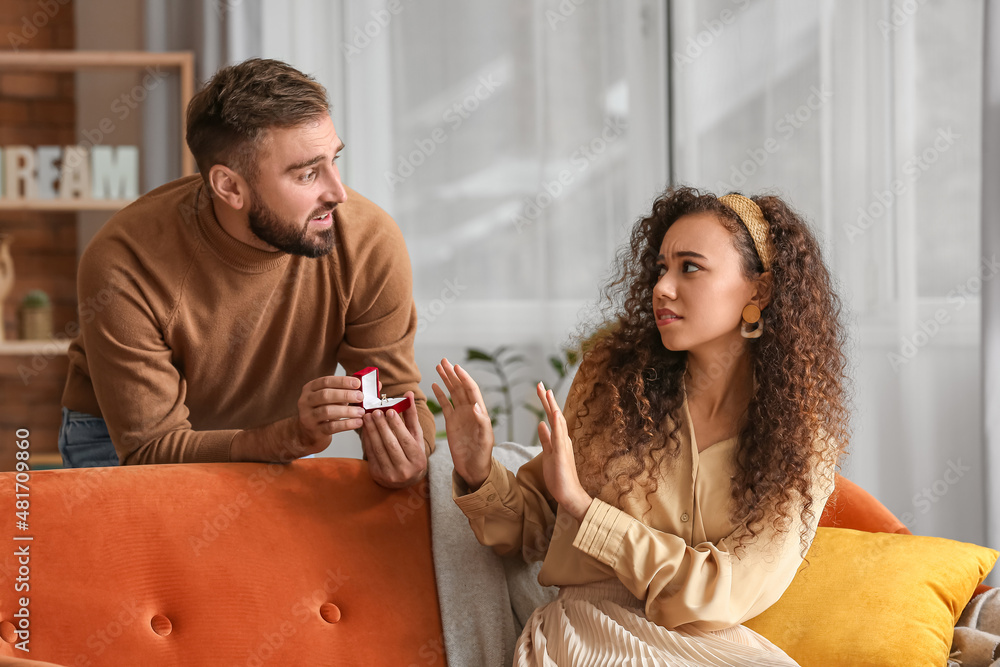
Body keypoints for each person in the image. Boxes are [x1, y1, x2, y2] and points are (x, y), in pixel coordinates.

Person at [432, 187, 849, 665]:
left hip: (708, 646)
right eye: (660, 268)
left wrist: (587, 512)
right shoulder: (612, 381)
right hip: (589, 632)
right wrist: (477, 469)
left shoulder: (802, 442)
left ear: (761, 290)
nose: (662, 287)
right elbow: (535, 527)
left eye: (689, 267)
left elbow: (724, 595)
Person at [58, 58, 434, 489]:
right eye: (308, 173)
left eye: (334, 161)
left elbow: (397, 389)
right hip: (121, 437)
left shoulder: (369, 241)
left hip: (263, 435)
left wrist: (410, 454)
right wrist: (286, 437)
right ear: (230, 187)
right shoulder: (124, 264)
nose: (338, 192)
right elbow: (152, 449)